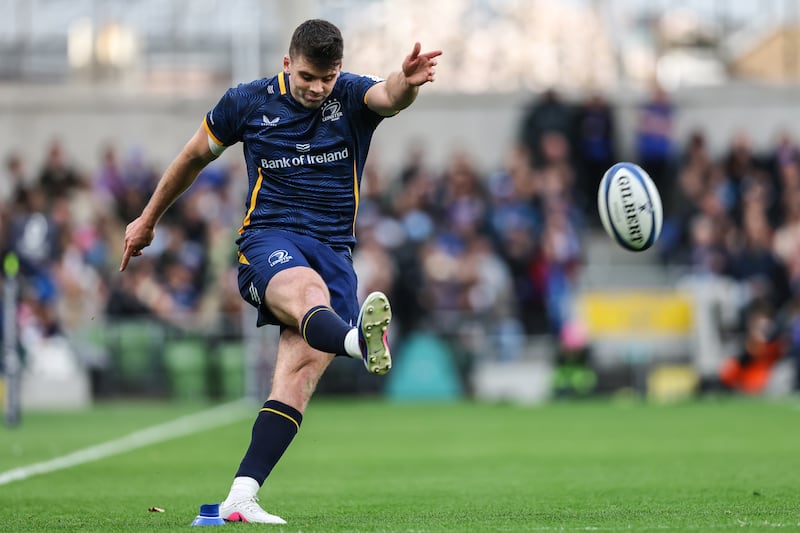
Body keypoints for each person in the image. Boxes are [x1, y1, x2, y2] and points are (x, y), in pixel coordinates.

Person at [119, 19, 441, 524]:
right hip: (268, 240)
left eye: (327, 77)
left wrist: (407, 80)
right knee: (306, 291)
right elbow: (190, 158)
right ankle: (360, 342)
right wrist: (147, 218)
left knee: (297, 376)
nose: (317, 88)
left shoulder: (351, 95)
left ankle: (240, 498)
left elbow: (389, 97)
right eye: (308, 76)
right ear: (287, 63)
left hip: (335, 252)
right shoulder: (247, 102)